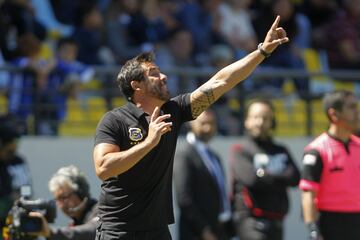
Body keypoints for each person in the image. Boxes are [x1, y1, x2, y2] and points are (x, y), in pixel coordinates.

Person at [93, 15, 289, 240]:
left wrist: (262, 52)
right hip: (118, 229)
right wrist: (149, 142)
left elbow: (220, 82)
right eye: (154, 73)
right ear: (135, 85)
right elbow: (104, 168)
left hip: (157, 230)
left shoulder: (173, 111)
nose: (164, 76)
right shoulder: (114, 120)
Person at [230, 99, 300, 240]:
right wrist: (281, 177)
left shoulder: (281, 150)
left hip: (277, 221)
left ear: (272, 121)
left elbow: (295, 177)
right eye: (256, 117)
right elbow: (252, 179)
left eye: (266, 118)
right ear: (247, 120)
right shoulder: (240, 150)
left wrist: (264, 174)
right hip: (251, 222)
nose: (260, 122)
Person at [299, 90, 360, 240]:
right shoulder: (316, 151)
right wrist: (313, 229)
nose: (357, 112)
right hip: (330, 223)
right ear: (334, 114)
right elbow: (308, 194)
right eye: (351, 107)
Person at [174, 110, 234, 240]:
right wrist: (204, 231)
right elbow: (184, 199)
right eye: (203, 123)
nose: (208, 128)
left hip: (219, 229)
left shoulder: (214, 156)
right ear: (191, 123)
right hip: (196, 233)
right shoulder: (184, 154)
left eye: (212, 123)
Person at [31, 165, 98, 240]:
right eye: (58, 199)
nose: (61, 205)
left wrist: (51, 232)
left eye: (64, 197)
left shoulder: (101, 211)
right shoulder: (73, 225)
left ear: (81, 193)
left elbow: (93, 230)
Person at [0, 118, 32, 238]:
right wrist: (8, 199)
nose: (14, 149)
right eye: (9, 146)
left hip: (17, 220)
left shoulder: (18, 162)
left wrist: (22, 197)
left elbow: (26, 188)